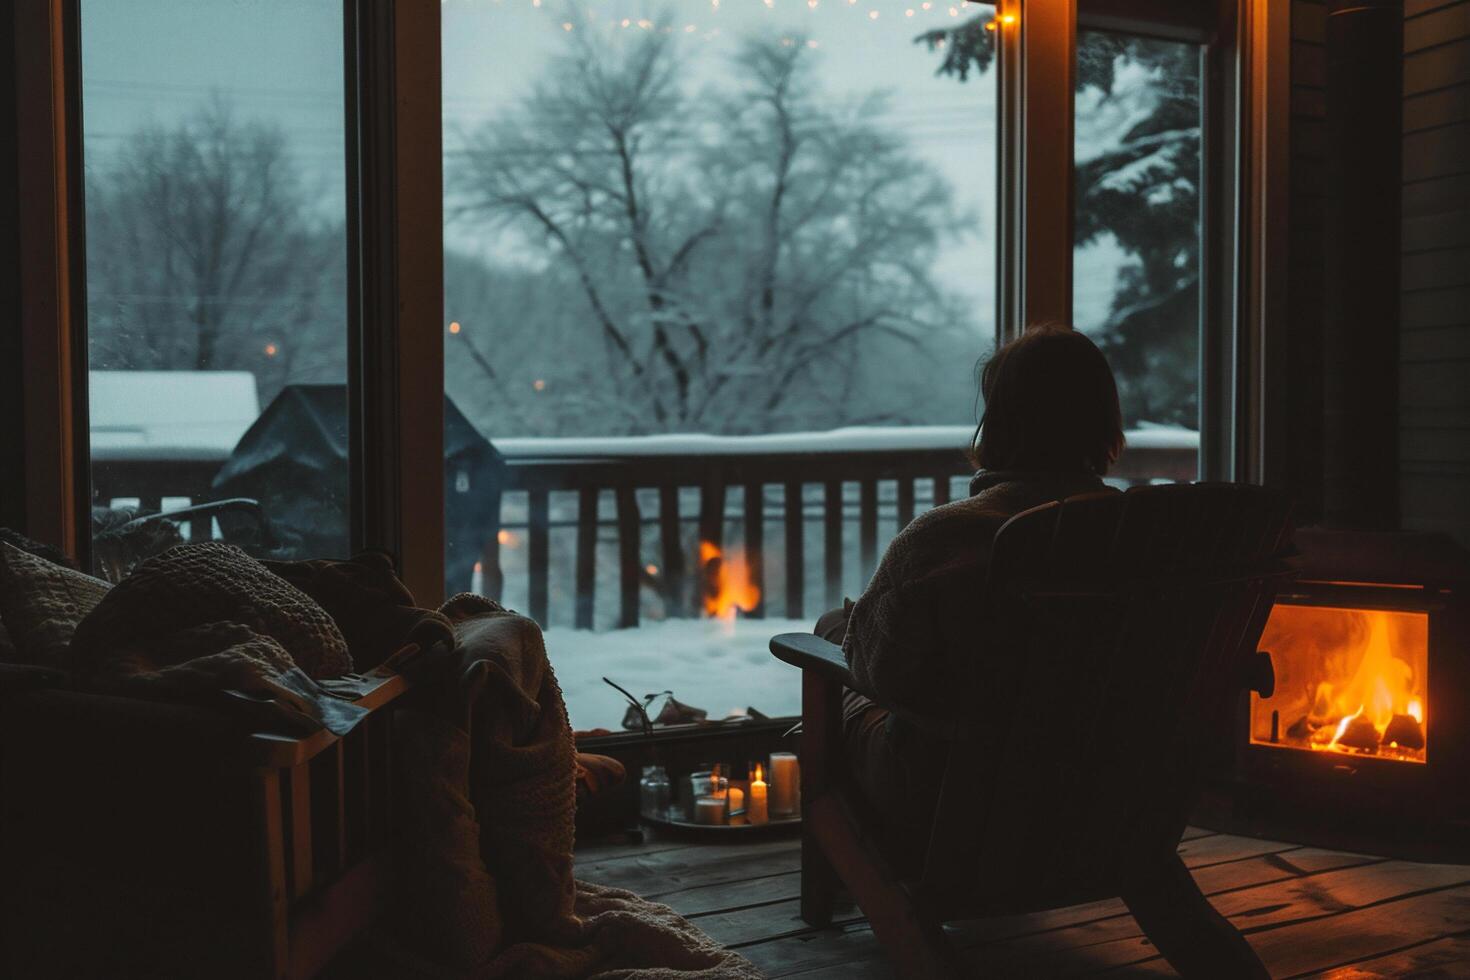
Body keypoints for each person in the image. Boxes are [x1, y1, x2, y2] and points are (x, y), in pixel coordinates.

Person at [814, 323, 1126, 834]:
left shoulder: (948, 538)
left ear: (998, 423)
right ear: (1103, 420)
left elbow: (882, 676)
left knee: (833, 634)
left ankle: (842, 858)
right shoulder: (1142, 538)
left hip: (951, 791)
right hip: (1104, 786)